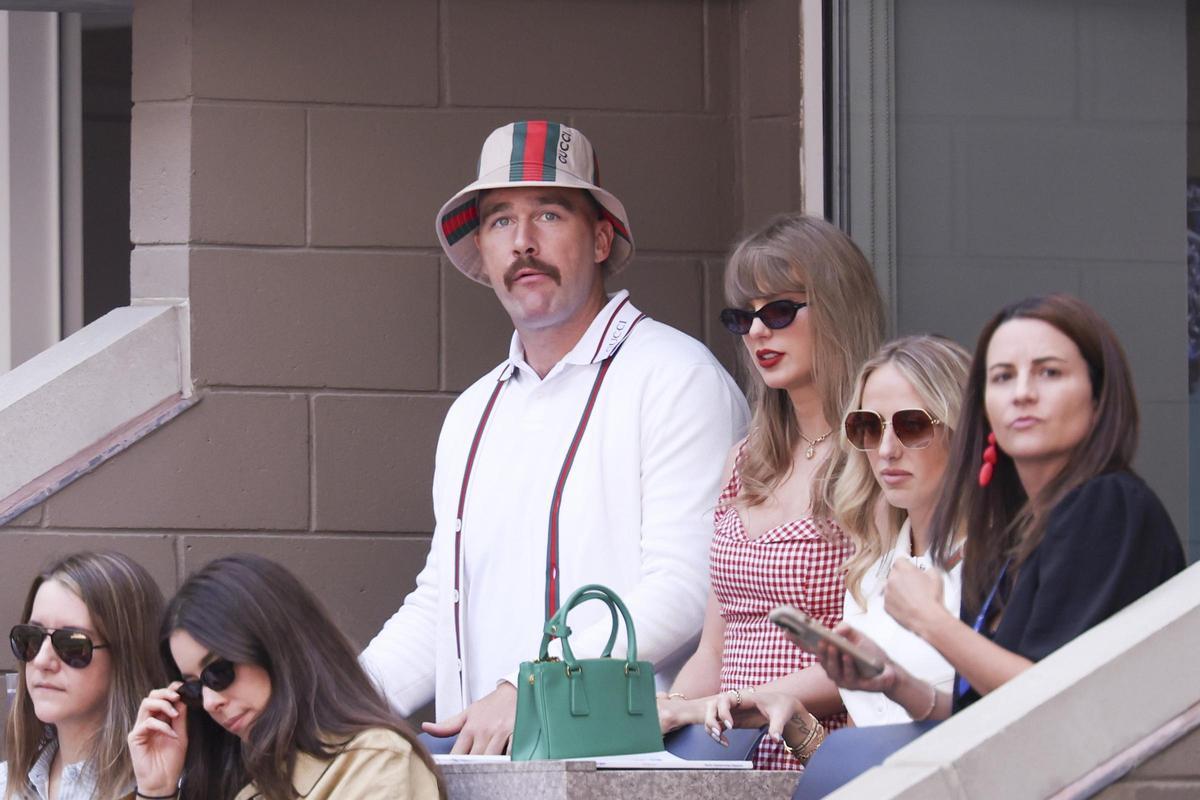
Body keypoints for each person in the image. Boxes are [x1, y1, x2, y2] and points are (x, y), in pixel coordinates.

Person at [359, 120, 748, 753]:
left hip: (631, 764)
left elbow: (690, 585)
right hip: (481, 769)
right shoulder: (472, 411)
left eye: (548, 213)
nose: (523, 243)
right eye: (500, 221)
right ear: (482, 254)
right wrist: (328, 704)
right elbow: (440, 604)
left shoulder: (678, 377)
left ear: (599, 239)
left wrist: (528, 689)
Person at [817, 294, 1185, 720]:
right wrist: (894, 682)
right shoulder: (1022, 532)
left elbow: (1055, 701)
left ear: (1099, 396)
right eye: (1003, 376)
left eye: (1049, 372)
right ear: (983, 408)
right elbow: (992, 718)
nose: (1023, 393)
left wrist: (931, 621)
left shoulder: (1105, 503)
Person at [656, 213, 885, 769]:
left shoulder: (879, 453)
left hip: (819, 750)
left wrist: (729, 704)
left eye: (779, 310)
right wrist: (673, 712)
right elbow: (716, 645)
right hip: (732, 748)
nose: (759, 331)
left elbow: (873, 655)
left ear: (837, 308)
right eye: (744, 317)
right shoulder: (745, 458)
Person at [699, 335, 971, 761]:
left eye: (912, 425)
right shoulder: (871, 570)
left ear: (963, 432)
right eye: (867, 427)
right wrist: (798, 726)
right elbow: (870, 768)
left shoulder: (998, 568)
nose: (886, 449)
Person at [127, 555, 443, 800]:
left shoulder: (374, 760)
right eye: (194, 688)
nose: (210, 702)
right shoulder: (244, 777)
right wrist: (156, 790)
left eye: (218, 673)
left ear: (275, 648)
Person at [2, 551, 165, 800]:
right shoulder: (7, 784)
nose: (42, 660)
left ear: (127, 657)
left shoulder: (170, 786)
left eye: (72, 644)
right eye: (31, 639)